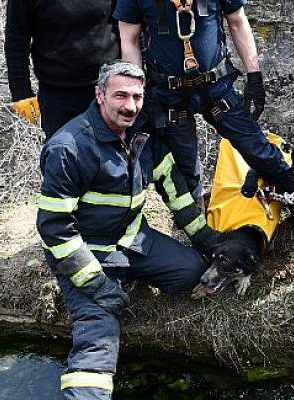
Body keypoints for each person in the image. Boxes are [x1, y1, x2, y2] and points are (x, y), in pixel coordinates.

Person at [36, 60, 221, 400]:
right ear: (99, 95)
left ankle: (125, 278)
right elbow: (55, 228)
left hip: (133, 240)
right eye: (120, 95)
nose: (130, 105)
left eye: (137, 96)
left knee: (191, 270)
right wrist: (95, 283)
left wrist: (207, 239)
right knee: (98, 341)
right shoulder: (70, 147)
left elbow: (175, 191)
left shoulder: (143, 135)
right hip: (88, 253)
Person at [114, 0, 294, 245]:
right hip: (168, 93)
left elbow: (237, 21)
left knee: (257, 147)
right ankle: (198, 233)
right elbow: (129, 39)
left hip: (217, 87)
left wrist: (254, 75)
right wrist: (136, 92)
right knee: (185, 167)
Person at [5, 0, 119, 140]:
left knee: (112, 156)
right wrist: (21, 91)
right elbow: (16, 39)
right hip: (57, 94)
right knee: (63, 154)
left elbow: (129, 24)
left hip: (109, 87)